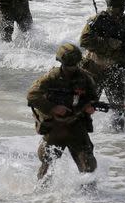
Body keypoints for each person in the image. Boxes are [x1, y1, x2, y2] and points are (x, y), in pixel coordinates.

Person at [26, 43, 99, 188]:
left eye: (74, 64)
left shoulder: (85, 78)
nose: (71, 68)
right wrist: (53, 108)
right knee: (46, 168)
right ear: (61, 63)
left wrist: (89, 107)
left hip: (75, 126)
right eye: (68, 64)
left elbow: (92, 97)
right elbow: (32, 95)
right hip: (55, 127)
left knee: (89, 168)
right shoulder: (50, 78)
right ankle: (40, 200)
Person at [79, 0, 125, 132]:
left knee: (118, 111)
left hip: (116, 72)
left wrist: (122, 58)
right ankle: (79, 138)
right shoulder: (98, 20)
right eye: (115, 6)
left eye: (119, 7)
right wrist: (109, 44)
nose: (116, 10)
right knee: (85, 108)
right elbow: (84, 40)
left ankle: (118, 144)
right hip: (93, 69)